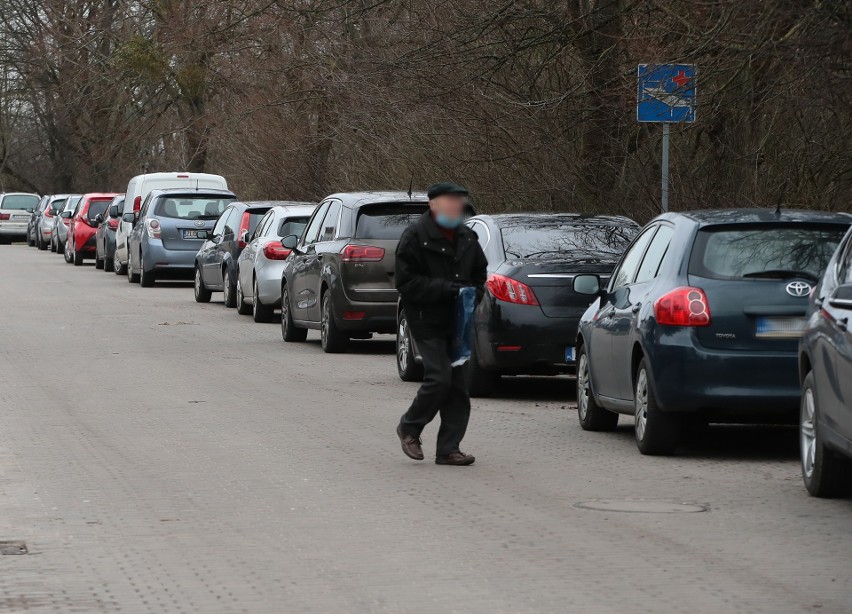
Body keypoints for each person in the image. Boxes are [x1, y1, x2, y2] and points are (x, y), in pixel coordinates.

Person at [394, 182, 487, 466]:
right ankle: (409, 427)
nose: (455, 207)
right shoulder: (415, 237)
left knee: (458, 386)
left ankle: (448, 449)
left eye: (459, 202)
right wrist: (446, 289)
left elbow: (479, 275)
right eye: (449, 202)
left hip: (459, 321)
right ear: (433, 205)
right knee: (439, 377)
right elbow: (405, 282)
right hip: (425, 319)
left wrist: (474, 293)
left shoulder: (468, 238)